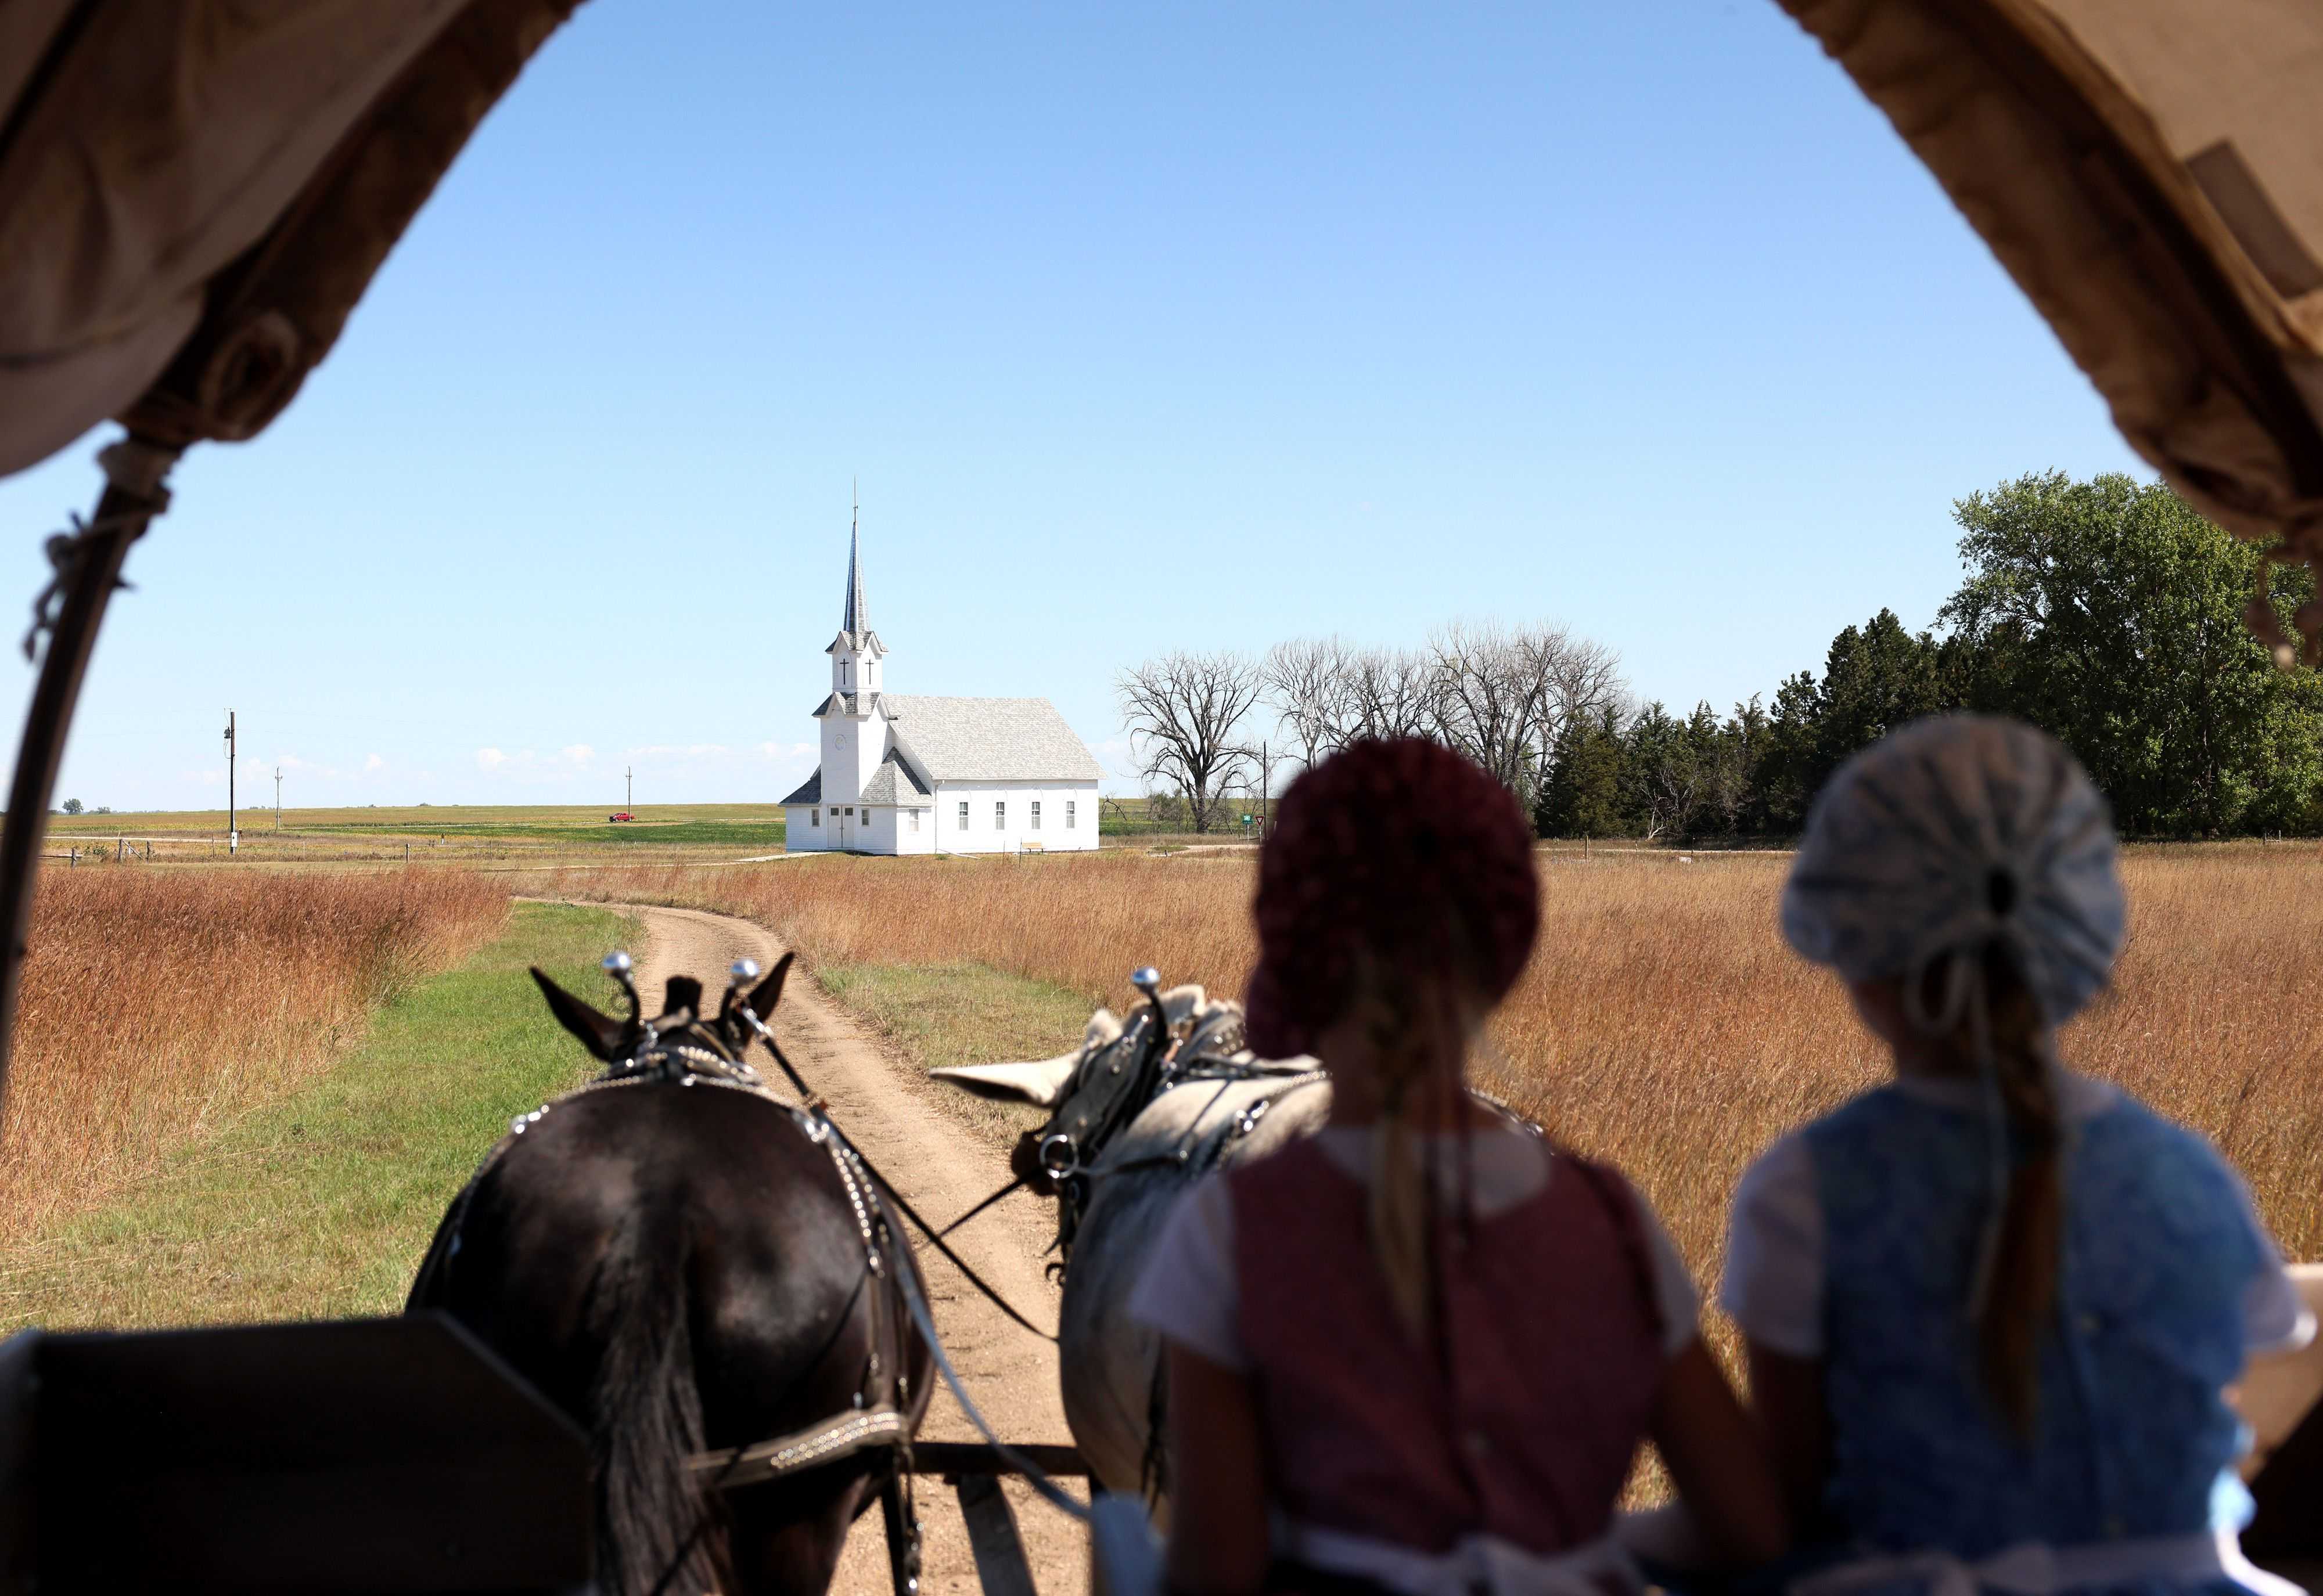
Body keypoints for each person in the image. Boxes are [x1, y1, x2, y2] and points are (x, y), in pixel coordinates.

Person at [1129, 737, 1787, 1596]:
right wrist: (1571, 1550)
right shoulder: (1611, 1223)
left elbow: (1218, 1568)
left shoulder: (1229, 1232)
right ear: (1494, 960)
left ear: (1304, 968)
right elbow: (1751, 1525)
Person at [1722, 715, 2314, 1596]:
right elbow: (2266, 1341)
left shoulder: (1805, 1190)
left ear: (1858, 950)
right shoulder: (2189, 1175)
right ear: (2076, 939)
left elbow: (1787, 1501)